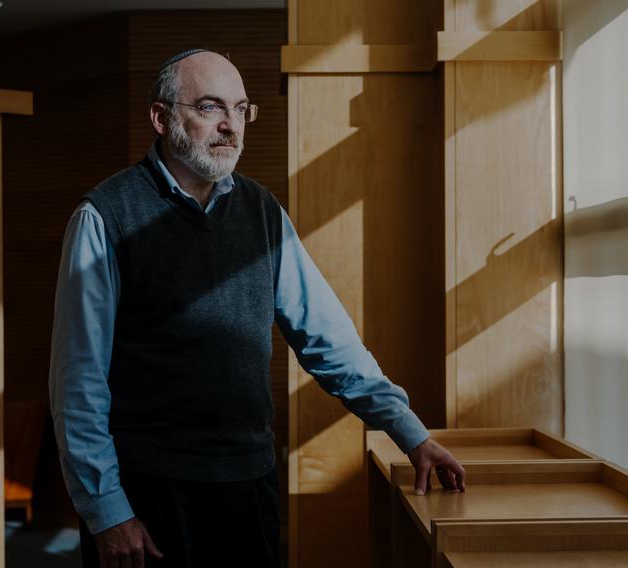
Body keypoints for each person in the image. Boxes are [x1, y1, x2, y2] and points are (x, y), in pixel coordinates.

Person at [49, 48, 466, 568]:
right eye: (209, 107)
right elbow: (78, 382)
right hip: (148, 492)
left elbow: (329, 340)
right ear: (161, 117)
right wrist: (107, 511)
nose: (231, 126)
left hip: (246, 482)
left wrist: (412, 434)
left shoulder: (263, 212)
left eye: (241, 109)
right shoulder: (105, 216)